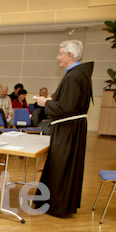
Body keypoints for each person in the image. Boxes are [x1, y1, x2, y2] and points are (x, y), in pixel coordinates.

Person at [34, 39, 93, 218]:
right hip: (72, 126)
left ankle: (56, 205)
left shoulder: (74, 76)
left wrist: (46, 103)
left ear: (69, 55)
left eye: (60, 54)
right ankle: (59, 202)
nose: (57, 57)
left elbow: (65, 107)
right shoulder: (79, 74)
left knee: (61, 165)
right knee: (65, 166)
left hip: (68, 128)